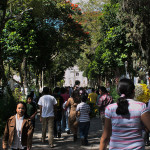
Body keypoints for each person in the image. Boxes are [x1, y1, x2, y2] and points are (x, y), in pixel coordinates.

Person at [99, 78, 150, 150]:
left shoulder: (110, 108)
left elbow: (105, 137)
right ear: (133, 91)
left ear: (118, 92)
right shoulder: (141, 106)